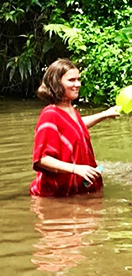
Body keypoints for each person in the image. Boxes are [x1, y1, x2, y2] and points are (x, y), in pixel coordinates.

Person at [31, 59, 120, 196]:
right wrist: (76, 169)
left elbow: (73, 126)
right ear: (56, 83)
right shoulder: (49, 115)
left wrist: (105, 114)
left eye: (78, 79)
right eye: (71, 80)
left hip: (77, 191)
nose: (77, 84)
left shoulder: (70, 109)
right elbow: (42, 159)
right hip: (56, 196)